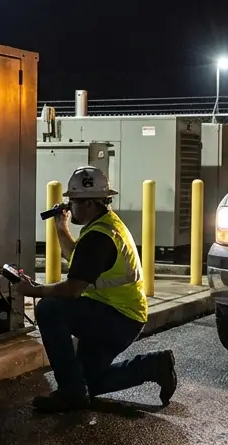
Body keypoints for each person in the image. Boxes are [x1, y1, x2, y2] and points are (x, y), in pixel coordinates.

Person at [12, 166, 178, 412]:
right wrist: (61, 227)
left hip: (116, 318)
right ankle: (153, 365)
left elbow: (73, 289)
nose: (69, 205)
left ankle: (69, 392)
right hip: (119, 315)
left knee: (49, 309)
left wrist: (34, 291)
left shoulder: (100, 237)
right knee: (89, 381)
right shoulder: (105, 225)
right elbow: (81, 262)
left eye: (74, 201)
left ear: (90, 203)